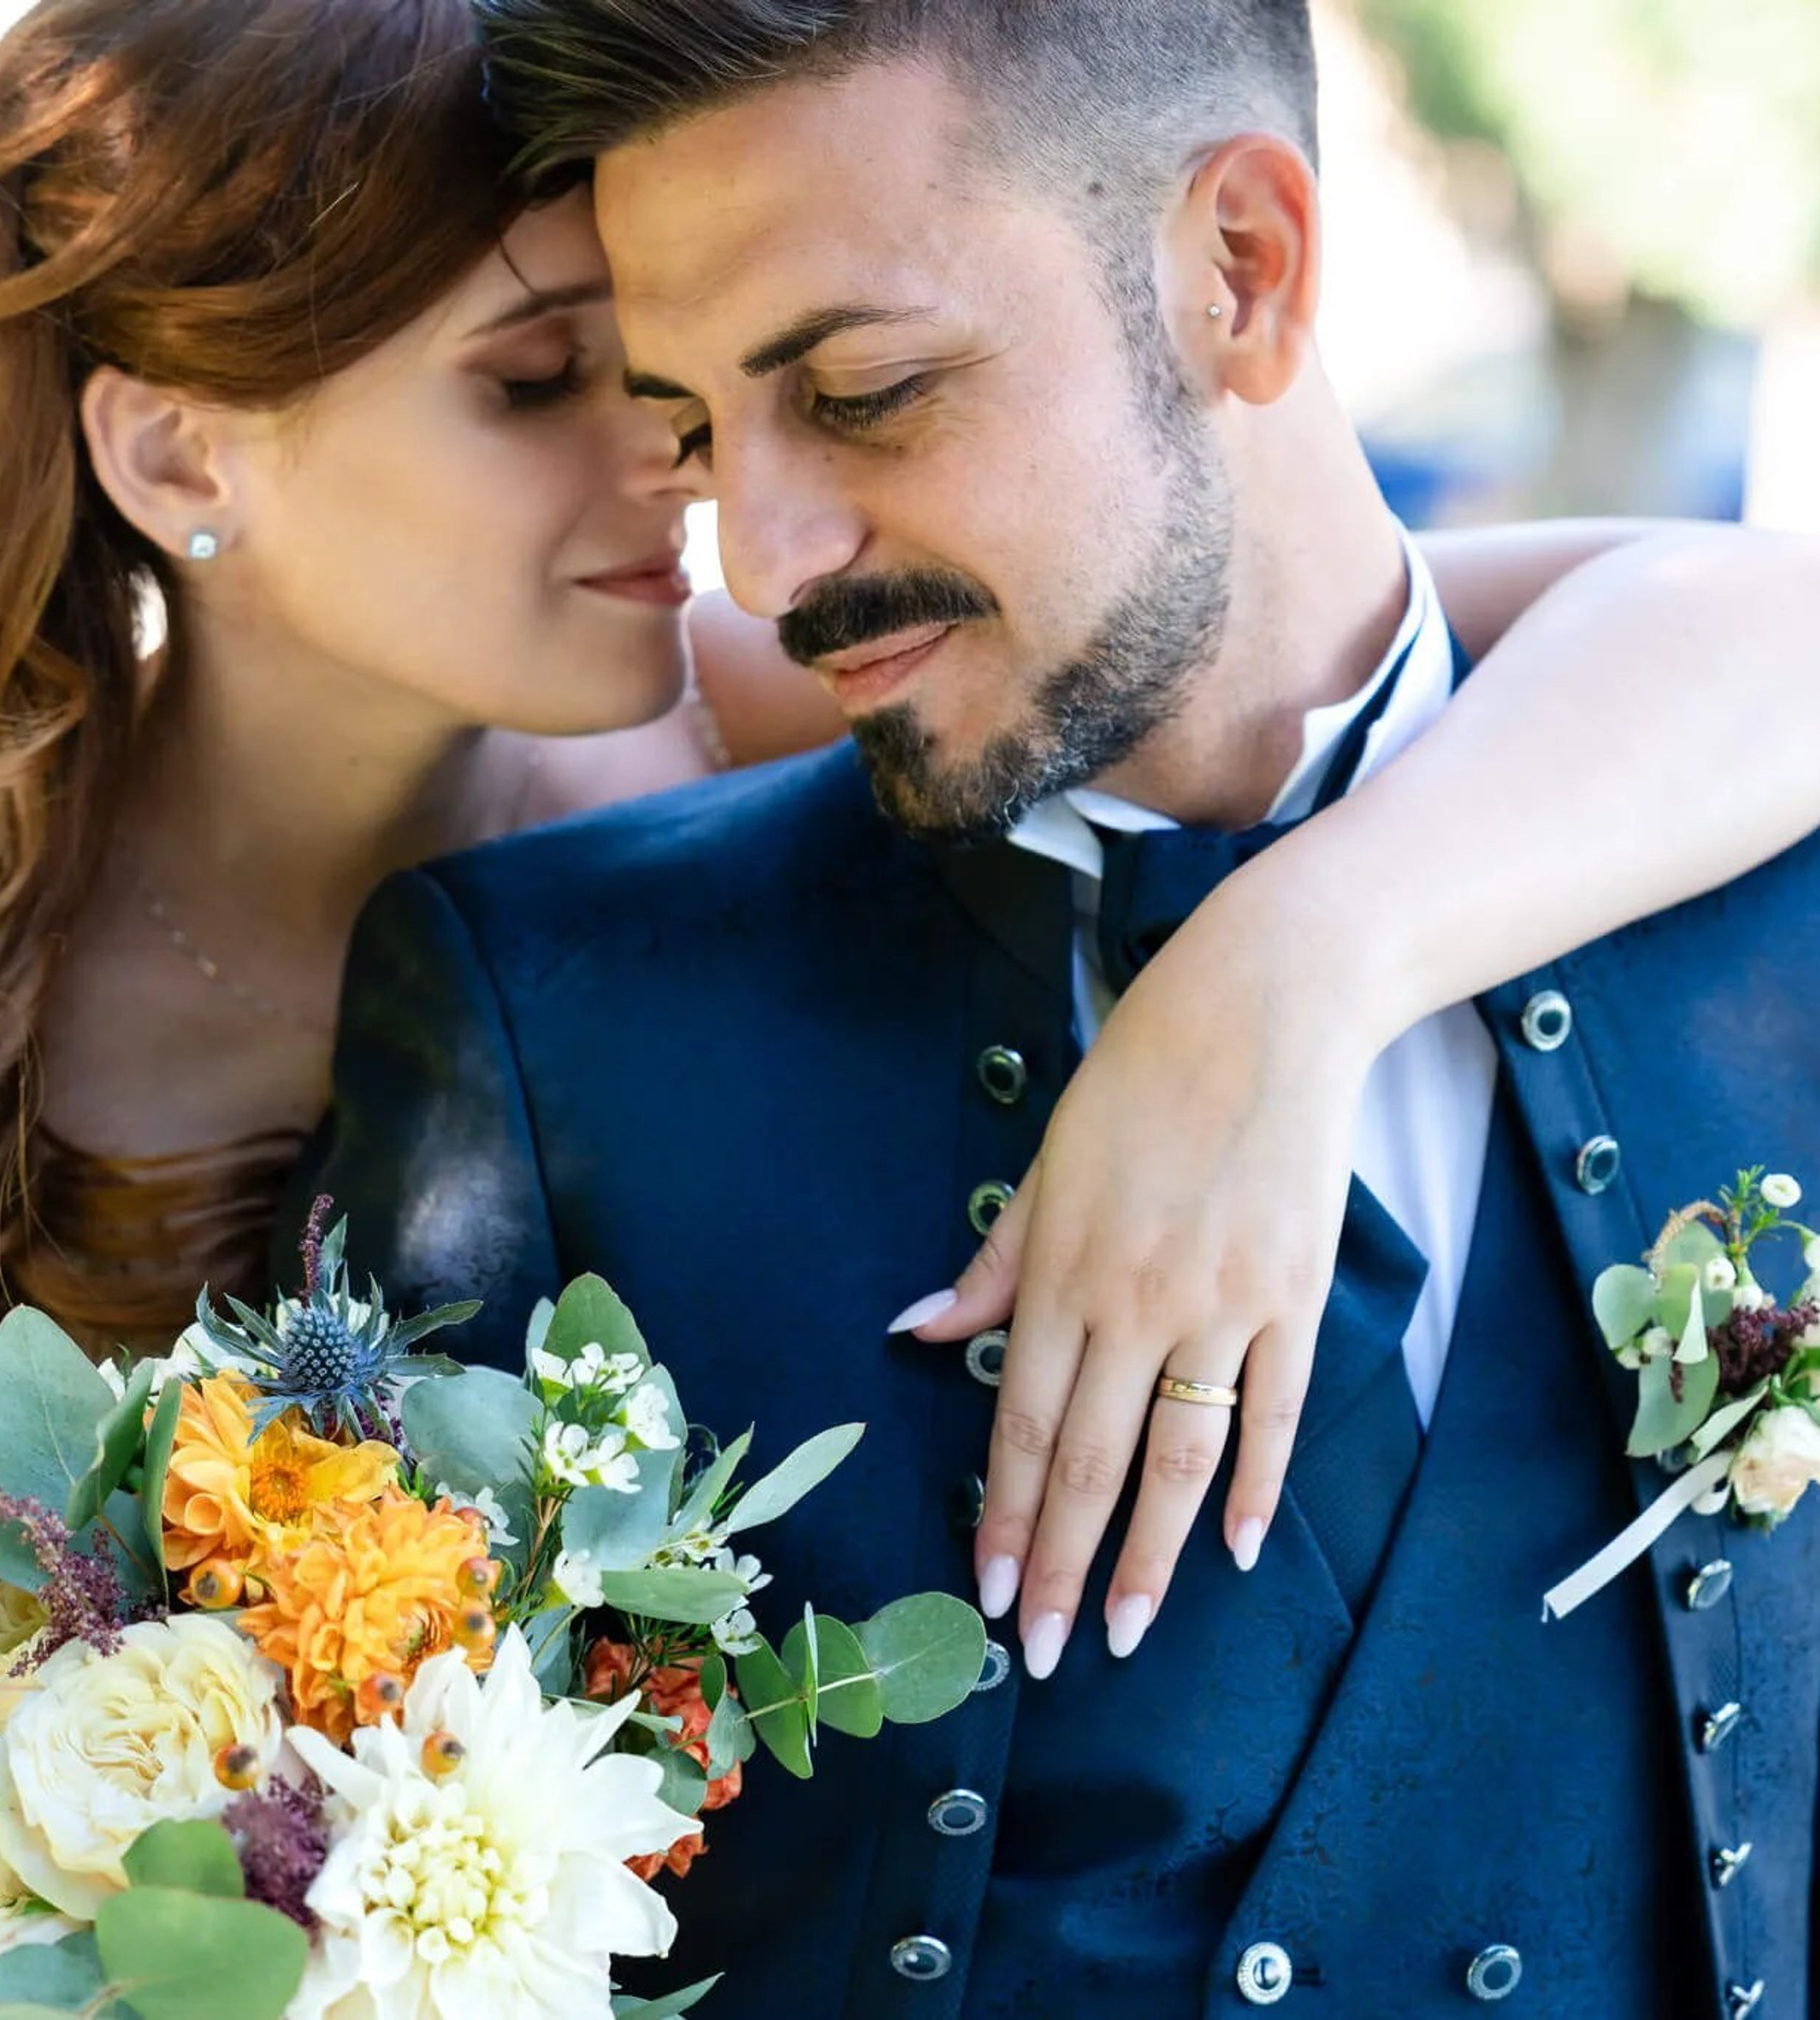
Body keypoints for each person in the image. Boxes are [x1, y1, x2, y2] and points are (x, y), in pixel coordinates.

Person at [0, 0, 1812, 1623]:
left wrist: (1284, 968)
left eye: (675, 393)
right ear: (177, 450)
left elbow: (1754, 625)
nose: (710, 512)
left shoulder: (769, 700)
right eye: (536, 386)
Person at [299, 2, 1820, 2011]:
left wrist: (1285, 969)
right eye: (687, 428)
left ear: (1238, 274)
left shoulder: (1769, 892)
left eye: (863, 389)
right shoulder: (549, 1030)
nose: (758, 560)